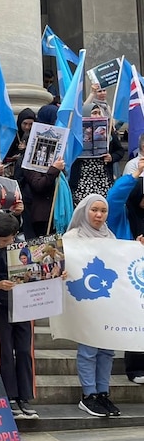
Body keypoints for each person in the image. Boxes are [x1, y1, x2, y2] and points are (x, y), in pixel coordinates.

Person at [61, 194, 121, 417]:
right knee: (88, 350)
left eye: (103, 211)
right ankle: (89, 395)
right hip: (84, 302)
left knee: (106, 350)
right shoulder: (72, 236)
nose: (98, 215)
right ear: (84, 211)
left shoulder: (111, 236)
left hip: (107, 303)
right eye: (94, 210)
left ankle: (103, 393)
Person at [0, 212, 39, 419]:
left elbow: (39, 270)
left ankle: (25, 396)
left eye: (7, 239)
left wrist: (56, 272)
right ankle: (9, 395)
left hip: (24, 302)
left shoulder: (25, 247)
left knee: (24, 350)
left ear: (15, 235)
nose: (2, 243)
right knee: (3, 350)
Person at [106, 158, 144, 383]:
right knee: (136, 321)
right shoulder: (122, 216)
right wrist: (133, 176)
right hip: (129, 279)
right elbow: (113, 198)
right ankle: (136, 367)